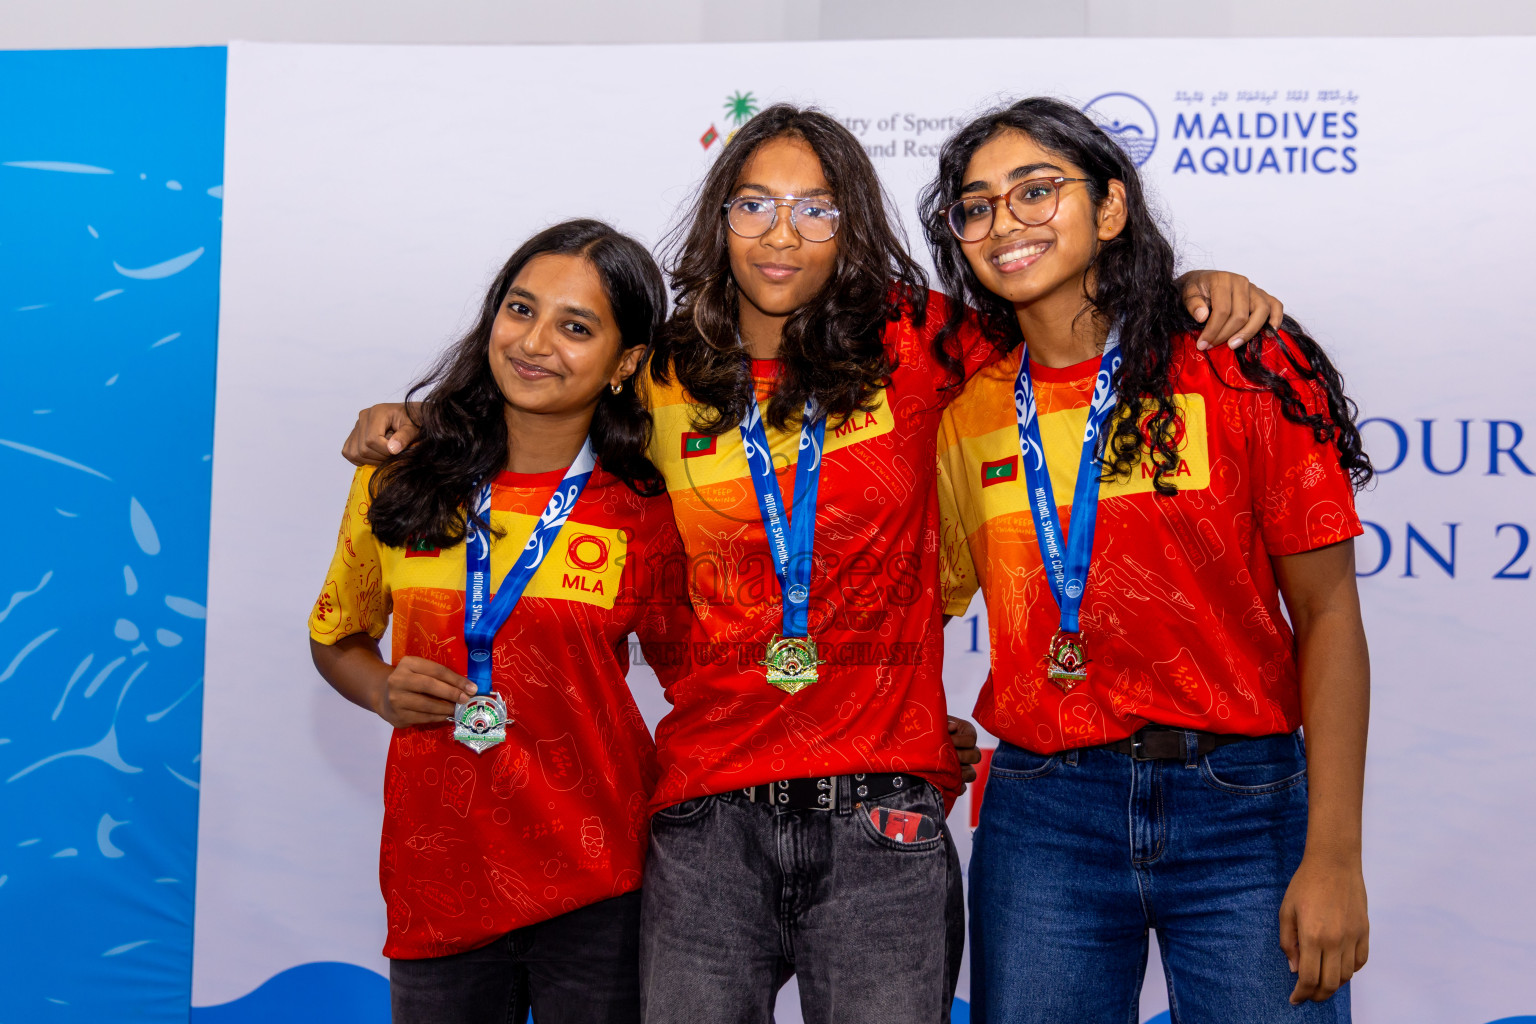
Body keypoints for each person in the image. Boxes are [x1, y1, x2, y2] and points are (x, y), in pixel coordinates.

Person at [341, 104, 1282, 1024]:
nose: (781, 233)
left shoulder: (917, 340)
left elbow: (1066, 324)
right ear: (721, 219)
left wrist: (1188, 288)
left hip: (883, 818)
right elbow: (543, 408)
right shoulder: (663, 370)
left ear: (851, 226)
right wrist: (421, 421)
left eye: (815, 209)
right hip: (706, 820)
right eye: (754, 204)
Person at [922, 98, 1372, 1023]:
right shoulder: (965, 409)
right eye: (976, 206)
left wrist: (1334, 855)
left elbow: (1329, 615)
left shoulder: (1238, 362)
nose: (1005, 222)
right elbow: (909, 605)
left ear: (1111, 208)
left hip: (1243, 804)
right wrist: (910, 733)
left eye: (1036, 191)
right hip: (1044, 813)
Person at [308, 219, 696, 1024]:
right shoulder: (399, 480)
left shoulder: (644, 508)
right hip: (438, 878)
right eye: (520, 309)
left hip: (602, 882)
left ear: (626, 362)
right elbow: (336, 634)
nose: (535, 342)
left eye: (576, 327)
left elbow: (704, 679)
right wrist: (380, 690)